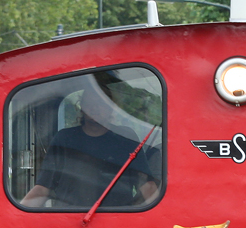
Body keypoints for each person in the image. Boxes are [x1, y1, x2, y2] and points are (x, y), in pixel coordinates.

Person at [21, 77, 159, 209]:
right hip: (68, 222)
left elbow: (147, 186)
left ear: (110, 108)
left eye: (101, 103)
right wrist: (18, 215)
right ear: (82, 108)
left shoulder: (126, 138)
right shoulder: (64, 138)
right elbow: (43, 187)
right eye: (90, 104)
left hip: (117, 221)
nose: (95, 108)